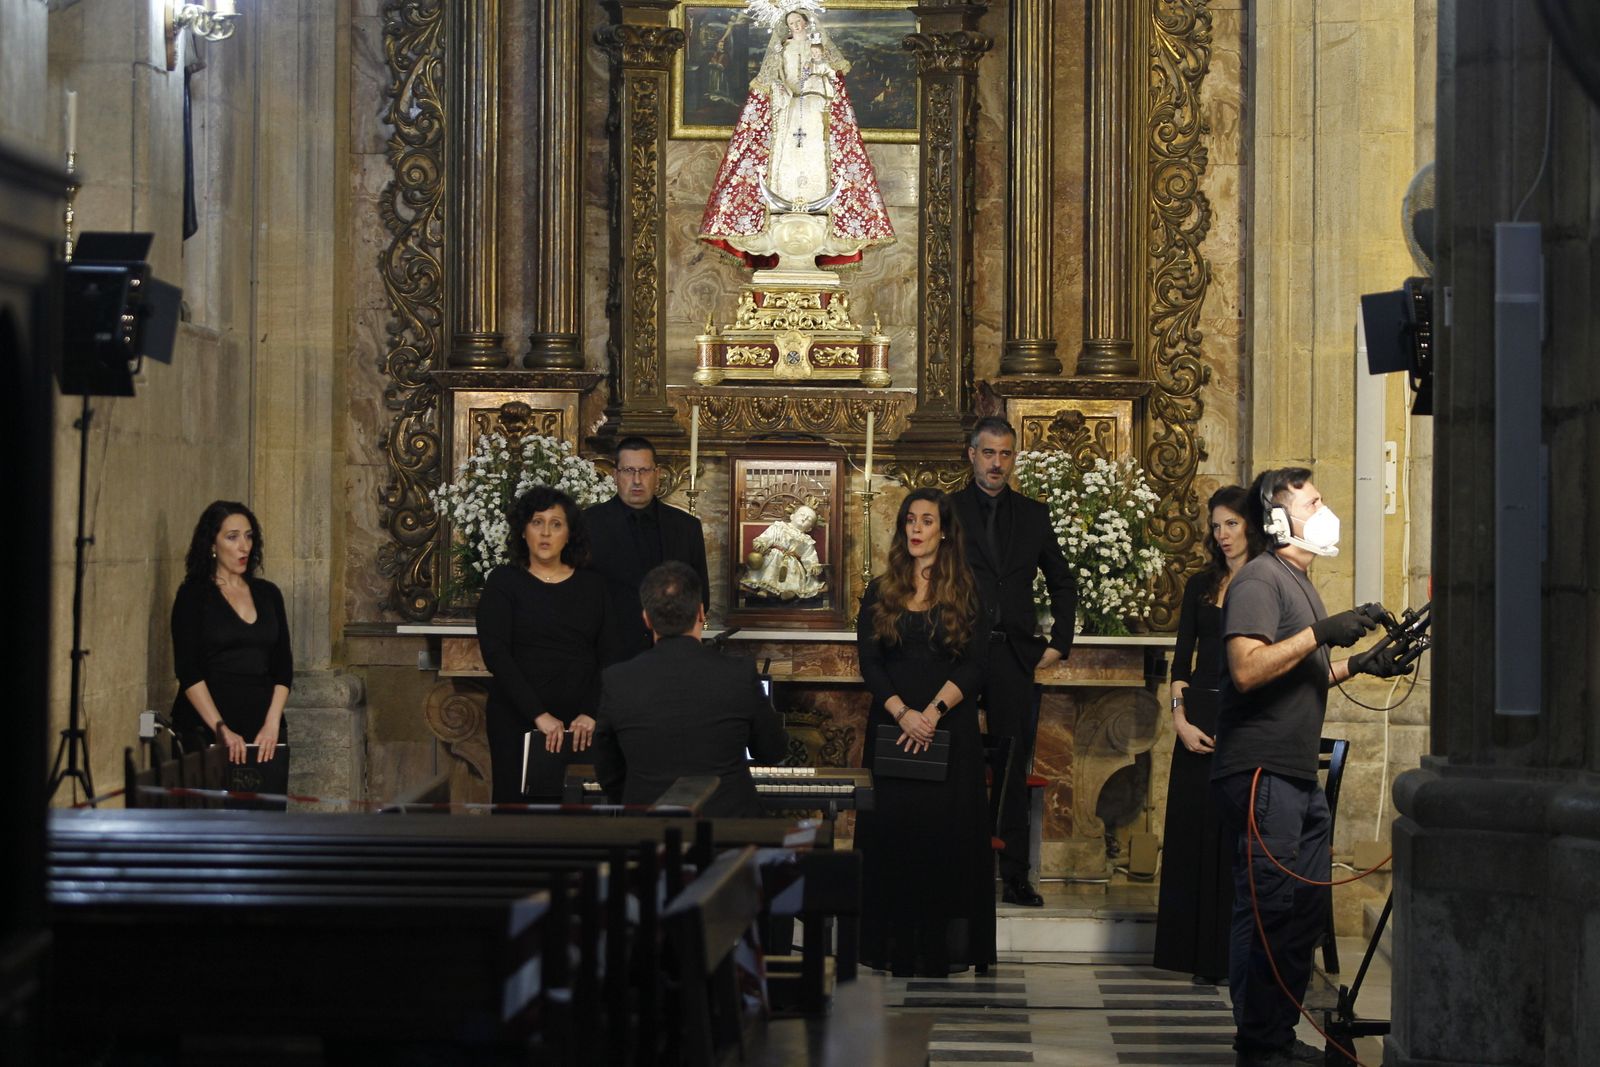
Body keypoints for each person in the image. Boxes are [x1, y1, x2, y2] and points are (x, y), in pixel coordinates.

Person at [1213, 468, 1410, 1067]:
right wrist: (1320, 631)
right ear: (1277, 520)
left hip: (1295, 775)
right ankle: (1257, 1046)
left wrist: (1360, 666)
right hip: (1261, 772)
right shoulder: (1258, 581)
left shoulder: (1299, 583)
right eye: (1315, 502)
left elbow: (1299, 672)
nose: (1327, 511)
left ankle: (1276, 1036)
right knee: (1268, 911)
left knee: (1299, 917)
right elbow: (1247, 670)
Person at [855, 488, 992, 976]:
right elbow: (869, 662)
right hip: (893, 732)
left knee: (940, 842)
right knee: (895, 839)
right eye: (910, 520)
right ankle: (892, 947)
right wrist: (901, 712)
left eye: (927, 521)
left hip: (948, 734)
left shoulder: (968, 589)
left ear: (945, 530)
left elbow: (977, 665)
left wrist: (930, 713)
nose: (916, 529)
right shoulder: (880, 589)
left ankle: (937, 950)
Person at [951, 416, 1078, 907]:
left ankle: (1016, 875)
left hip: (1013, 653)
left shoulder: (1033, 515)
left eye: (1005, 454)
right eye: (988, 453)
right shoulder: (949, 511)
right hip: (961, 651)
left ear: (1014, 458)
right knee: (959, 761)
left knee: (1012, 766)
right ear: (972, 455)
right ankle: (960, 867)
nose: (997, 463)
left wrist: (1059, 641)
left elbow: (1063, 582)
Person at [1153, 485, 1264, 983]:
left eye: (1231, 524)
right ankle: (1187, 953)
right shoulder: (1199, 583)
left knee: (1229, 836)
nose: (1222, 534)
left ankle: (1225, 956)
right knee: (1191, 831)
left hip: (1240, 716)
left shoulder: (1266, 585)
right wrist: (1179, 719)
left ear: (1252, 526)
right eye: (1216, 525)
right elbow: (1180, 663)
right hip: (1195, 717)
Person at [698, 7, 894, 270]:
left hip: (814, 109)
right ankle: (782, 201)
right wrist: (780, 90)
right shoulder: (782, 49)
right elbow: (773, 78)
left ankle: (817, 203)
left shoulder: (819, 49)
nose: (796, 26)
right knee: (782, 154)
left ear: (805, 22)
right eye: (791, 23)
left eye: (798, 21)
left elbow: (831, 82)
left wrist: (819, 71)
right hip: (788, 108)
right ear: (786, 26)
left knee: (818, 153)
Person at [591, 561, 787, 816]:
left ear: (647, 619)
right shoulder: (738, 674)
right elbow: (773, 751)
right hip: (730, 833)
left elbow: (608, 771)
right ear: (701, 613)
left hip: (648, 836)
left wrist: (638, 803)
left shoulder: (618, 680)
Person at [477, 486, 616, 805]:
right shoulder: (503, 581)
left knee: (576, 812)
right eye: (537, 522)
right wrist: (538, 715)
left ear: (569, 534)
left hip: (580, 723)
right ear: (523, 531)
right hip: (517, 717)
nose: (545, 532)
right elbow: (496, 654)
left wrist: (590, 712)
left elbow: (610, 654)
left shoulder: (592, 585)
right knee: (516, 810)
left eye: (556, 524)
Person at [170, 501, 292, 768]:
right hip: (206, 730)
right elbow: (188, 670)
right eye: (232, 537)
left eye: (249, 536)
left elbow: (283, 667)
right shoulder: (193, 595)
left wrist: (272, 724)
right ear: (212, 544)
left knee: (263, 807)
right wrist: (220, 728)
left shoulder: (268, 593)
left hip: (265, 734)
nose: (244, 546)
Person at [585, 436, 711, 661]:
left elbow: (701, 595)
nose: (636, 480)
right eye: (628, 471)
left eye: (644, 470)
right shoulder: (588, 524)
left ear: (657, 473)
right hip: (609, 658)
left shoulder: (686, 527)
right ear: (615, 475)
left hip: (673, 658)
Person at [739, 503, 826, 601]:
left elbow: (809, 555)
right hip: (774, 555)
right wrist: (762, 543)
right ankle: (764, 589)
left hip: (792, 561)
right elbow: (768, 536)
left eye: (809, 519)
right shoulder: (779, 527)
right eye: (802, 514)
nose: (804, 519)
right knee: (770, 568)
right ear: (792, 516)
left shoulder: (806, 540)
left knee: (793, 574)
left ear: (809, 528)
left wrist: (813, 565)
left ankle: (789, 591)